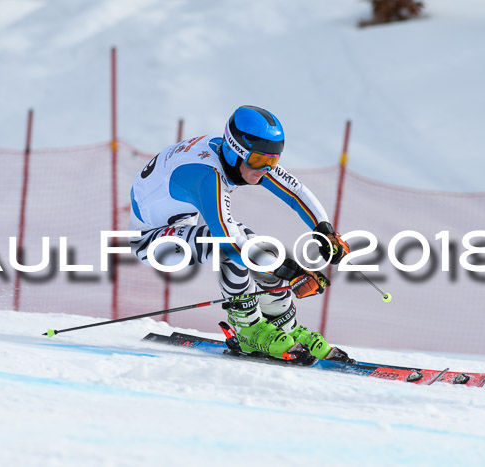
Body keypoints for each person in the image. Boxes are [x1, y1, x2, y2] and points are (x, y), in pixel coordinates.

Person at [129, 105, 353, 363]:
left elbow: (295, 192)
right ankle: (247, 329)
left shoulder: (240, 158)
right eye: (259, 161)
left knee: (252, 244)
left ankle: (285, 328)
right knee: (235, 241)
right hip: (152, 242)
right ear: (235, 151)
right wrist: (289, 271)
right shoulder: (205, 175)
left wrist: (324, 230)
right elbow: (230, 245)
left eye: (272, 161)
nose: (265, 170)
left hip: (180, 224)